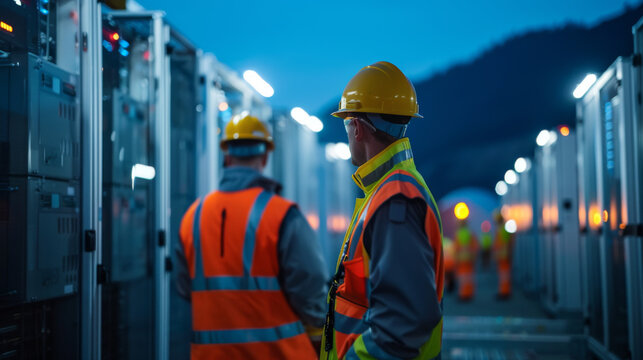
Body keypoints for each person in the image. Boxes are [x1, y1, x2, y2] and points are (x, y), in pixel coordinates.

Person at [174, 113, 328, 359]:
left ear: (227, 156)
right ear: (265, 156)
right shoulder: (282, 214)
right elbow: (309, 287)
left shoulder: (193, 216)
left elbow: (184, 287)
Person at [321, 61, 444, 360]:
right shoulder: (392, 189)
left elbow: (403, 324)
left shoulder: (394, 200)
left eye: (347, 123)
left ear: (358, 128)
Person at [454, 219, 478, 301]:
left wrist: (455, 259)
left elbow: (456, 248)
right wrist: (474, 257)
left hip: (461, 260)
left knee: (462, 277)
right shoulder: (470, 233)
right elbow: (475, 246)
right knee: (469, 277)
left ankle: (463, 294)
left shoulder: (458, 233)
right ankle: (469, 293)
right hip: (469, 259)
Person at [493, 211, 514, 299]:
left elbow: (505, 244)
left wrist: (505, 254)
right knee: (503, 275)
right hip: (502, 256)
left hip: (504, 256)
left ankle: (505, 292)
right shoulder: (502, 229)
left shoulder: (502, 229)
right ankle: (503, 291)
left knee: (504, 275)